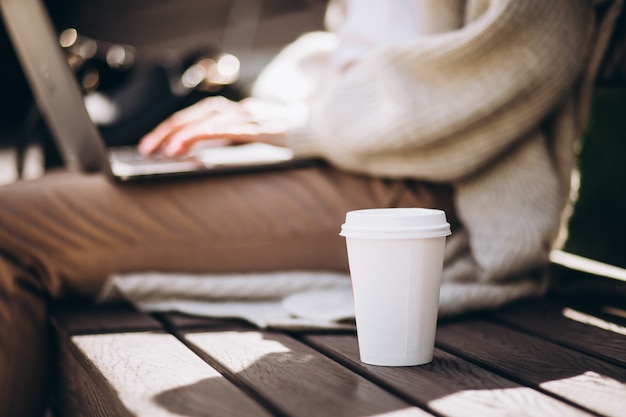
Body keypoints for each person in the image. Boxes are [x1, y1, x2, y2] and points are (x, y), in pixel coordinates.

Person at [0, 0, 619, 415]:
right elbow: (361, 52)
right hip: (348, 162)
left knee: (12, 227)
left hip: (425, 196)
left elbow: (522, 56)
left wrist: (304, 124)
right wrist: (270, 115)